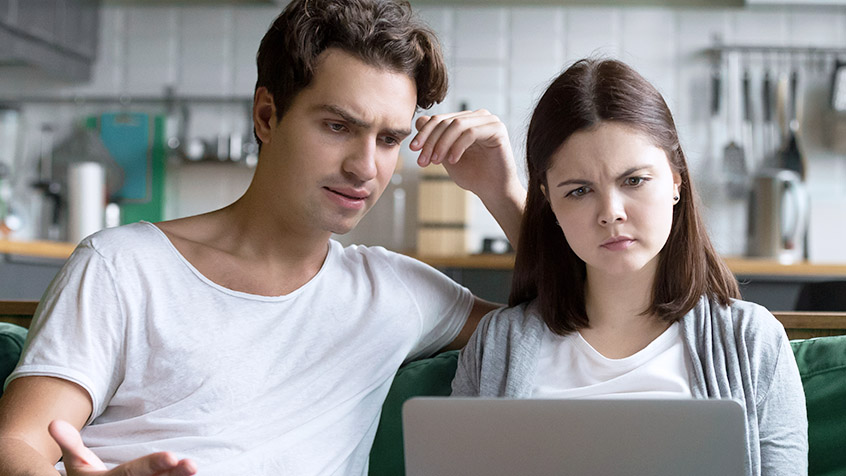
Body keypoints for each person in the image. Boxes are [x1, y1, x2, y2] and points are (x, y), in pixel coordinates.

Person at [0, 1, 525, 475]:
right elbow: (19, 442)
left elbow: (579, 318)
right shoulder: (122, 265)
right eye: (338, 126)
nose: (365, 167)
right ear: (267, 116)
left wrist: (503, 192)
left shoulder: (394, 292)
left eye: (389, 139)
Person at [451, 58, 808, 476]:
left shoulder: (752, 342)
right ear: (549, 201)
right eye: (580, 190)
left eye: (634, 180)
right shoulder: (498, 344)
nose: (611, 213)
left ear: (676, 180)